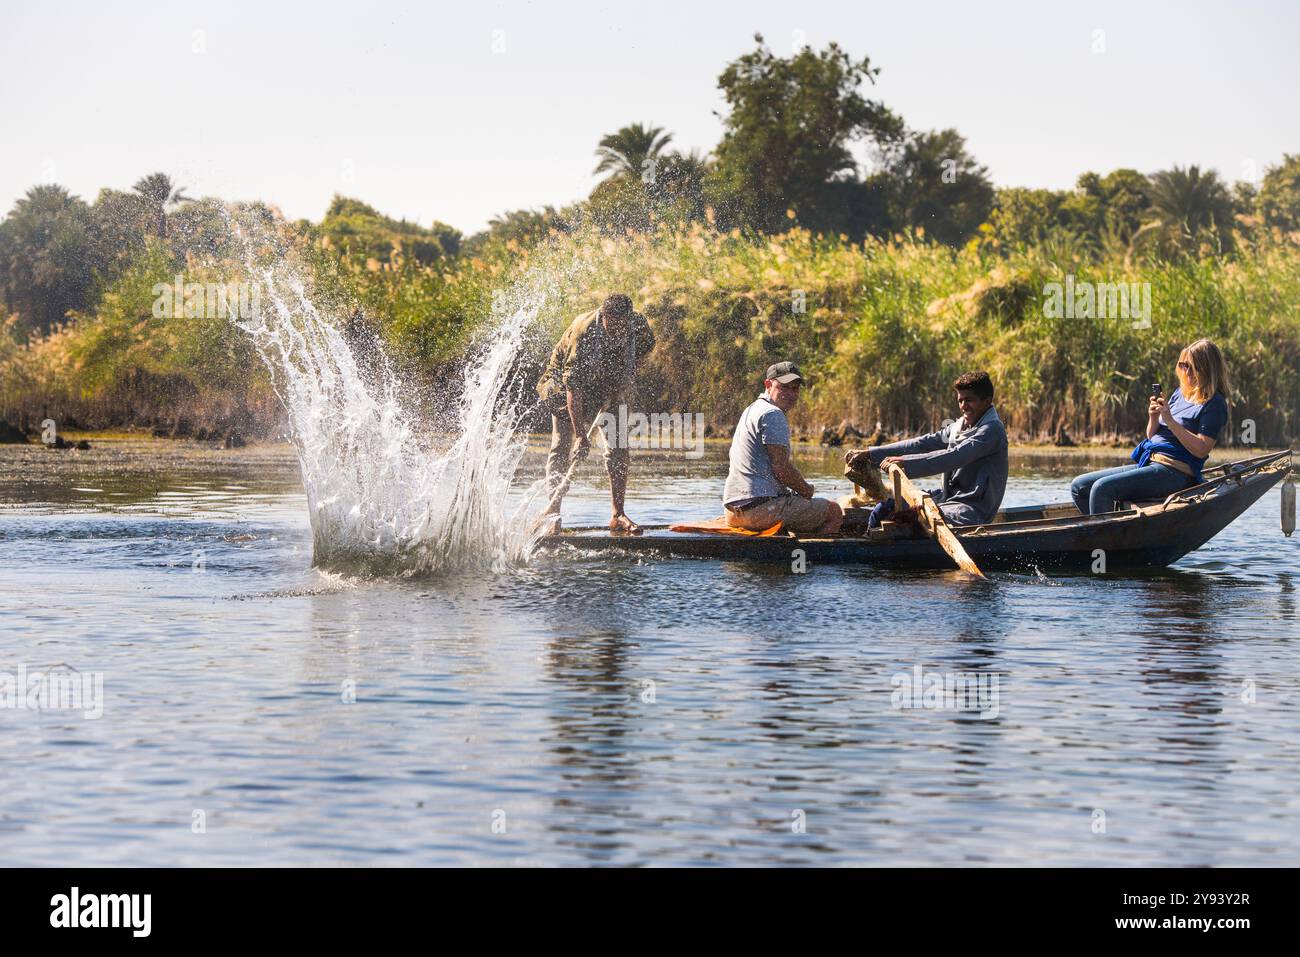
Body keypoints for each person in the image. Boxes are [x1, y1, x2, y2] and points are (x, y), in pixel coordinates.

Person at [537, 294, 656, 533]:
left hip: (608, 380)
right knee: (562, 445)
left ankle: (618, 514)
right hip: (563, 383)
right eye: (613, 326)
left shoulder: (637, 324)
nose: (618, 332)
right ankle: (553, 513)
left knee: (619, 447)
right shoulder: (584, 333)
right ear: (604, 316)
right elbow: (574, 390)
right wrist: (581, 435)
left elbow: (646, 348)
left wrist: (624, 376)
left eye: (623, 326)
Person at [1071, 338, 1230, 515]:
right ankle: (1110, 532)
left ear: (1207, 370)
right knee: (1079, 487)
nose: (1186, 372)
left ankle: (1102, 540)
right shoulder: (1180, 394)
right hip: (1150, 461)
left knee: (1102, 489)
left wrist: (1170, 420)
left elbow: (1201, 449)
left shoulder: (1215, 403)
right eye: (1183, 366)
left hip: (1175, 472)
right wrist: (1154, 418)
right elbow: (1152, 436)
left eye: (1192, 368)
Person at [845, 371, 1008, 527]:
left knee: (907, 518)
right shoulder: (958, 427)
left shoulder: (992, 431)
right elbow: (923, 444)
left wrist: (905, 463)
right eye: (960, 400)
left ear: (986, 401)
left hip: (970, 509)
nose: (963, 406)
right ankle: (872, 545)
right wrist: (871, 454)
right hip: (944, 498)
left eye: (969, 400)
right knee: (884, 509)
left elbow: (954, 457)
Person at [722, 362, 844, 534]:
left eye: (795, 389)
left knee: (795, 504)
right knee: (834, 511)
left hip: (732, 512)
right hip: (760, 511)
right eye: (785, 387)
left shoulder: (751, 409)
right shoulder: (773, 414)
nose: (792, 394)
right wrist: (806, 490)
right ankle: (810, 557)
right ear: (768, 384)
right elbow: (781, 469)